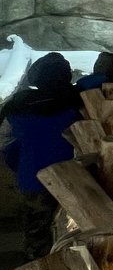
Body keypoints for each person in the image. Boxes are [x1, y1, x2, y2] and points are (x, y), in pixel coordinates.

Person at [0, 53, 82, 258]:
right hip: (75, 176)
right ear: (67, 75)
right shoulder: (78, 100)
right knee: (77, 226)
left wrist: (16, 159)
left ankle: (39, 267)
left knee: (37, 228)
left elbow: (4, 138)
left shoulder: (17, 106)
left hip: (33, 176)